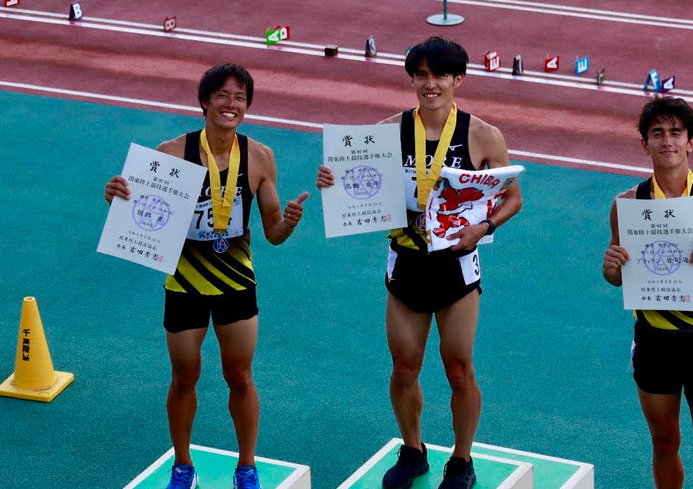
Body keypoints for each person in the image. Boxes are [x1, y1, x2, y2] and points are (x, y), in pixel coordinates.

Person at [316, 37, 523, 489]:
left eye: (440, 76)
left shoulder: (483, 135)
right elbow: (356, 184)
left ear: (457, 80)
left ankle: (462, 461)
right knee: (404, 367)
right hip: (406, 264)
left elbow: (514, 198)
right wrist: (332, 181)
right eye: (422, 75)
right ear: (412, 79)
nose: (431, 85)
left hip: (457, 264)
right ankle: (413, 451)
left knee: (459, 368)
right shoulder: (387, 130)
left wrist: (484, 229)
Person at [104, 63, 309, 489]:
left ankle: (247, 467)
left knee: (240, 377)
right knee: (183, 378)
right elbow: (139, 214)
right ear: (204, 102)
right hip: (184, 285)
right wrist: (116, 196)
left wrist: (288, 221)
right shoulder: (171, 153)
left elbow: (272, 233)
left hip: (236, 284)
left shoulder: (260, 157)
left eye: (239, 97)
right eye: (222, 95)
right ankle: (183, 466)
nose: (230, 104)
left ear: (247, 107)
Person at [602, 97, 693, 489]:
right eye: (657, 133)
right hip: (652, 340)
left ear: (691, 142)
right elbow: (621, 277)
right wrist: (610, 270)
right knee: (664, 441)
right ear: (644, 144)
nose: (667, 141)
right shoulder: (627, 204)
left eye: (675, 133)